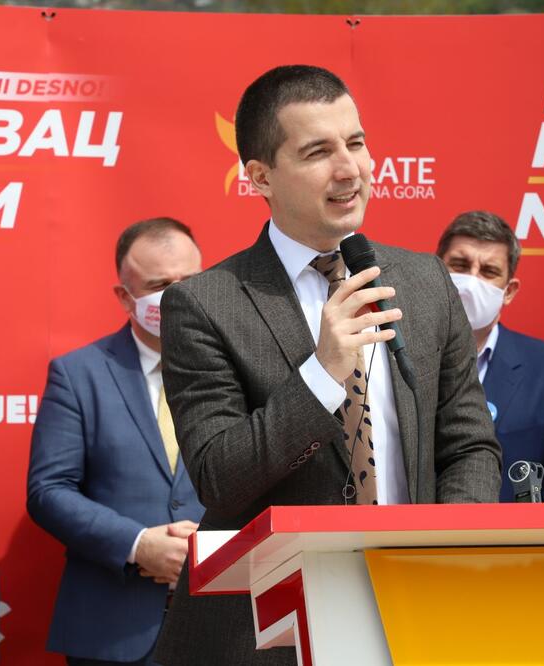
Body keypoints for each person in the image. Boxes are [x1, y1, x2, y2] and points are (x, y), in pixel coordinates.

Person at [153, 65, 501, 665]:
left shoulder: (424, 281)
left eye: (356, 143)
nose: (350, 169)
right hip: (264, 632)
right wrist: (321, 374)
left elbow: (469, 445)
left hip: (409, 618)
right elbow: (219, 477)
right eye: (318, 152)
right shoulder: (204, 304)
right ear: (260, 176)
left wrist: (444, 553)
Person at [27, 218, 205, 666]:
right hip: (112, 631)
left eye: (189, 281)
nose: (178, 296)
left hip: (217, 624)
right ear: (125, 297)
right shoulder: (77, 375)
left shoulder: (238, 372)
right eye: (160, 285)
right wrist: (137, 543)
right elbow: (48, 490)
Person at [436, 211, 544, 501]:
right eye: (459, 266)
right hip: (406, 530)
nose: (471, 282)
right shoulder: (390, 355)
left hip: (506, 532)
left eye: (488, 271)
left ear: (509, 291)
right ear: (435, 272)